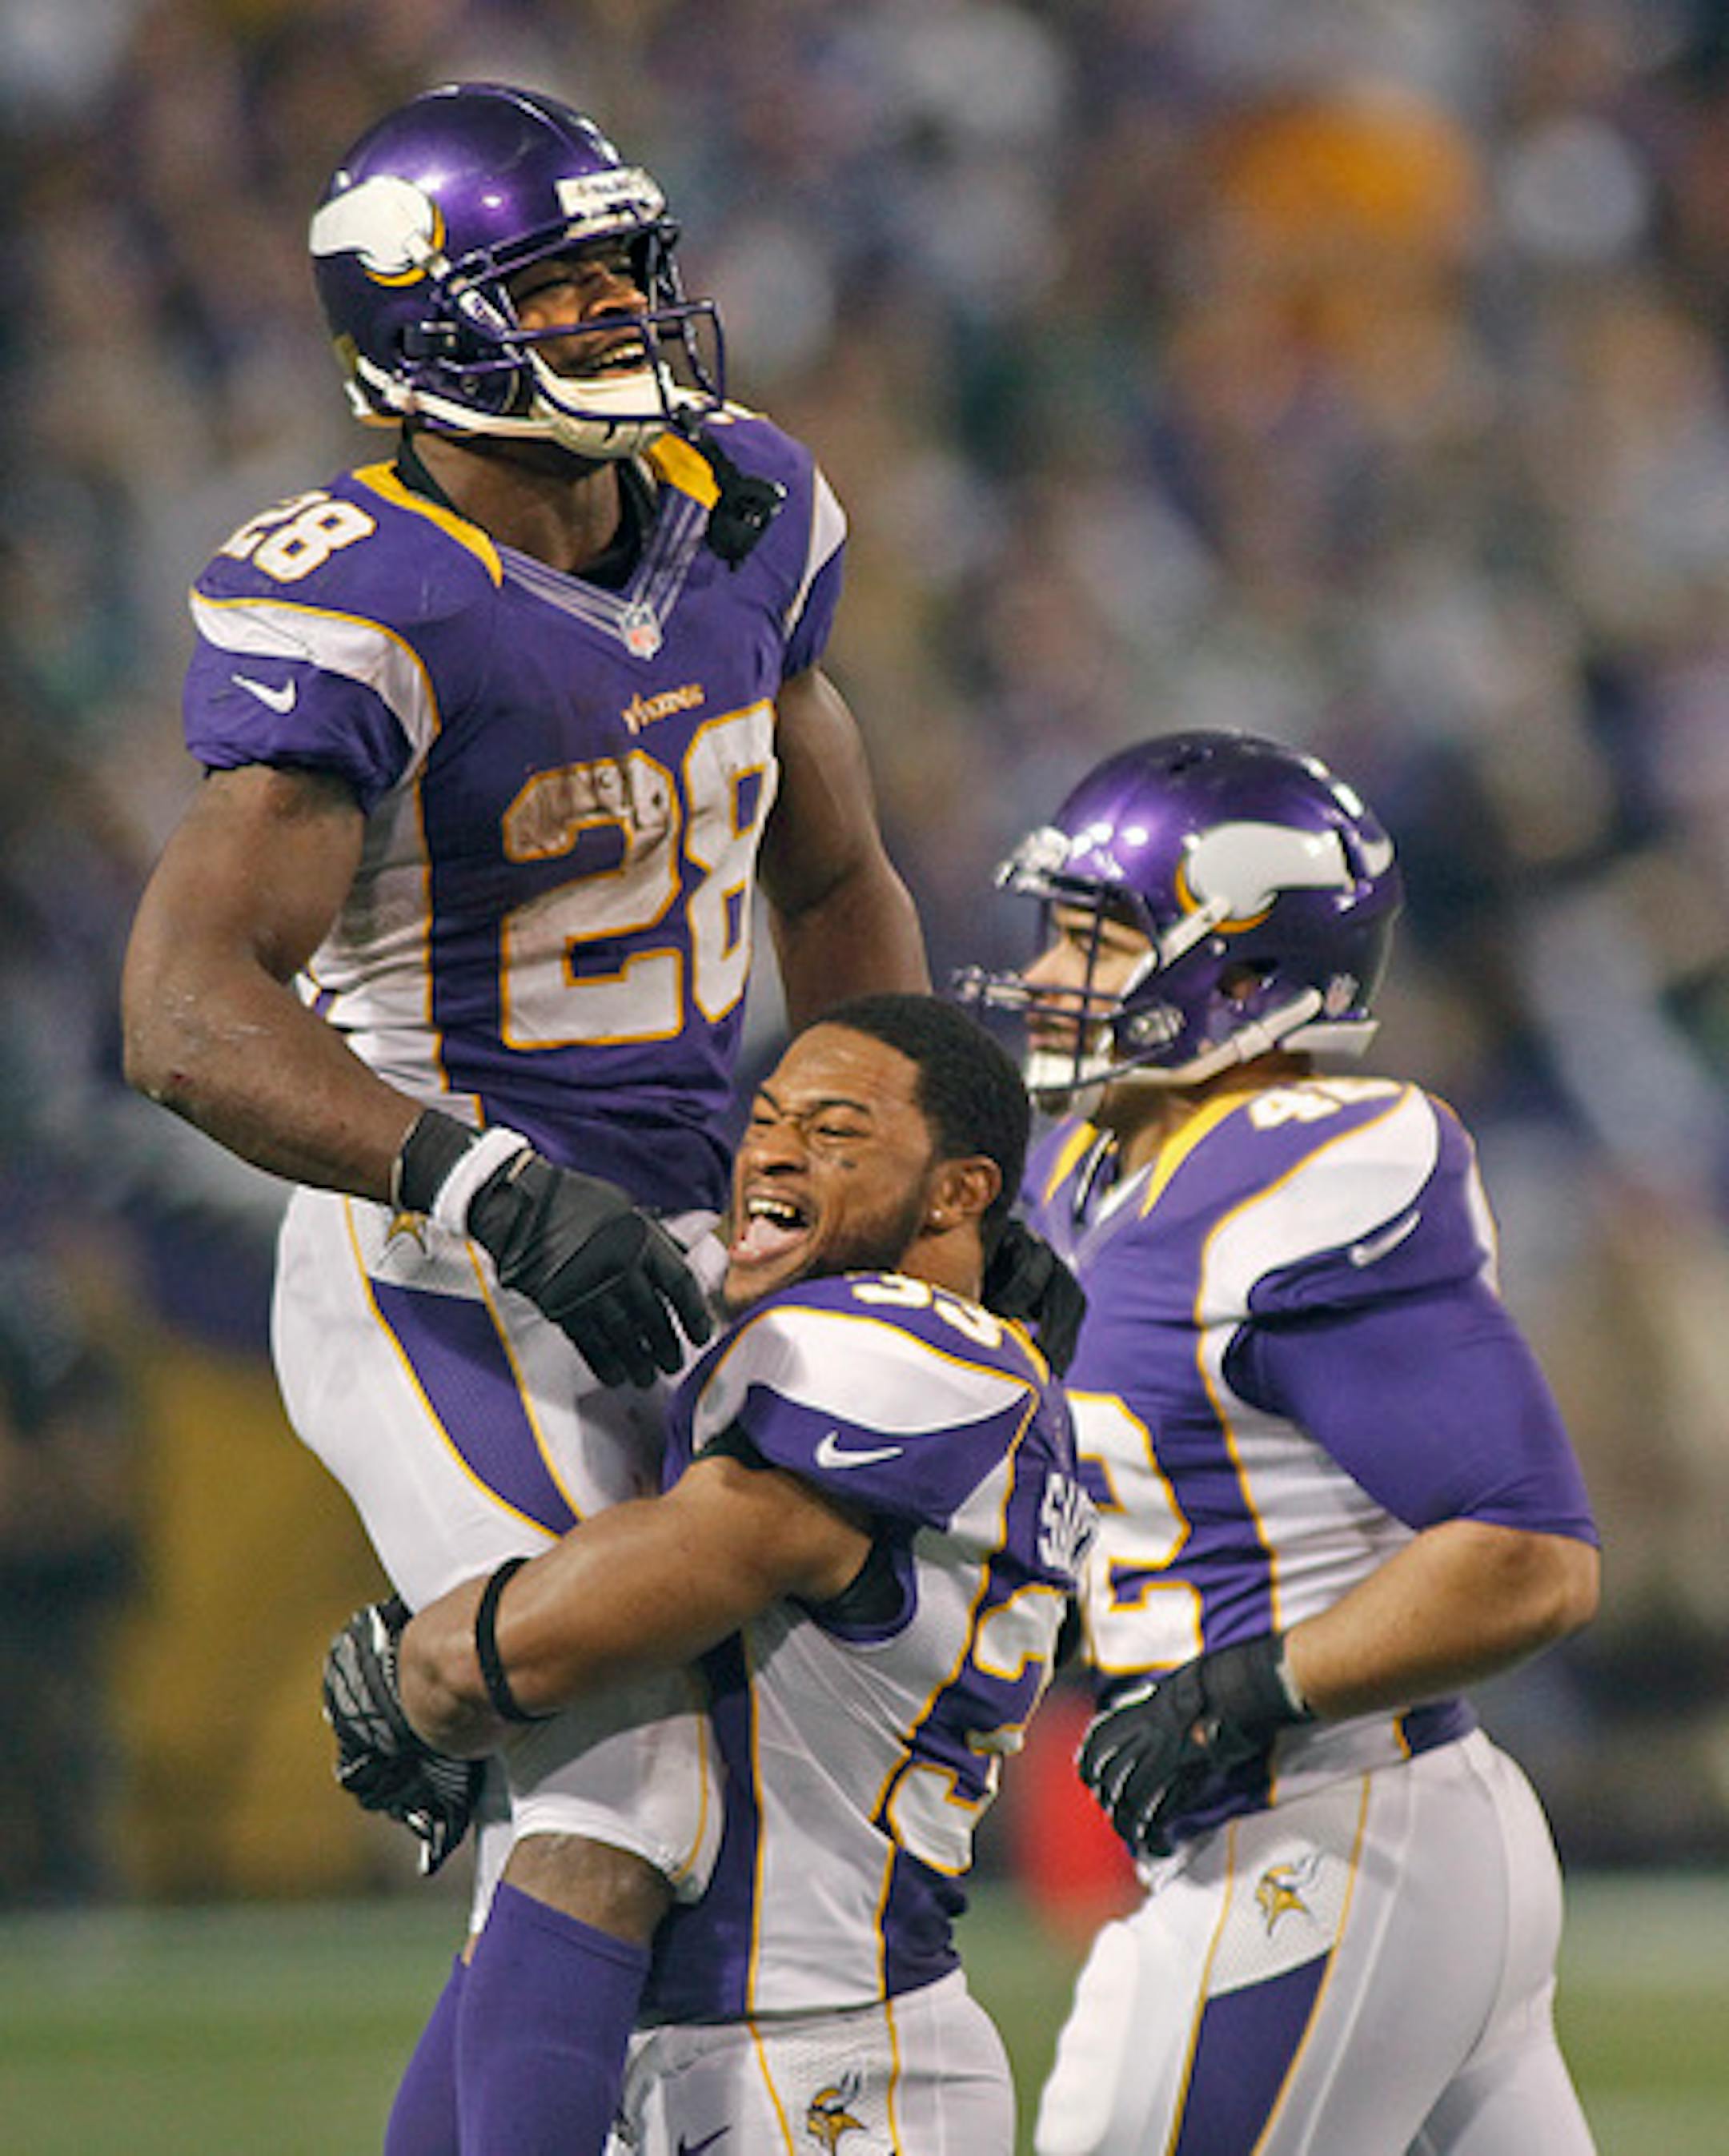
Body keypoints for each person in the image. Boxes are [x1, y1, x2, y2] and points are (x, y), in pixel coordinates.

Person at [119, 79, 927, 2156]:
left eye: (625, 272)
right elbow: (187, 1011)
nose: (619, 319)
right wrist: (479, 1173)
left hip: (684, 1237)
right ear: (421, 328)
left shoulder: (737, 512)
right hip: (443, 1258)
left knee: (697, 1796)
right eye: (554, 288)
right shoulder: (374, 586)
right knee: (621, 1776)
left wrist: (902, 1168)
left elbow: (832, 882)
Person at [959, 729, 1601, 2155]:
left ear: (1240, 977)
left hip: (1328, 1830)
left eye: (1095, 937)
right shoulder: (1089, 1167)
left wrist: (1238, 1690)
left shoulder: (1298, 1175)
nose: (1051, 974)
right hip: (1329, 1837)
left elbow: (1529, 1555)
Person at [330, 992, 1092, 2155]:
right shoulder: (895, 1349)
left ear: (960, 1191)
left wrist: (421, 1666)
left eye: (837, 1133)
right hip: (726, 2039)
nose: (775, 1150)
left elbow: (575, 1624)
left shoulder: (900, 1347)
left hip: (825, 2067)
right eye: (770, 1117)